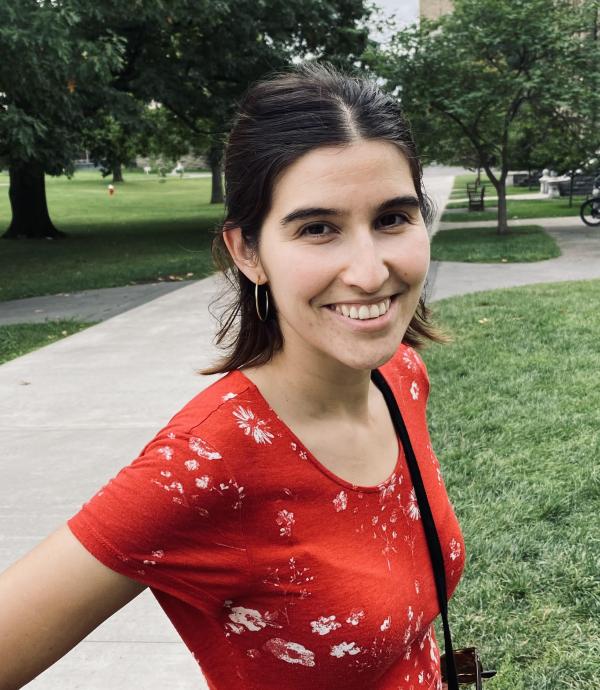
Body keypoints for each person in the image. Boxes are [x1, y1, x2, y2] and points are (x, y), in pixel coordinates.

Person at [0, 62, 465, 690]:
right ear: (248, 252)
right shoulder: (205, 460)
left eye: (392, 219)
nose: (369, 269)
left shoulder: (401, 378)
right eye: (318, 228)